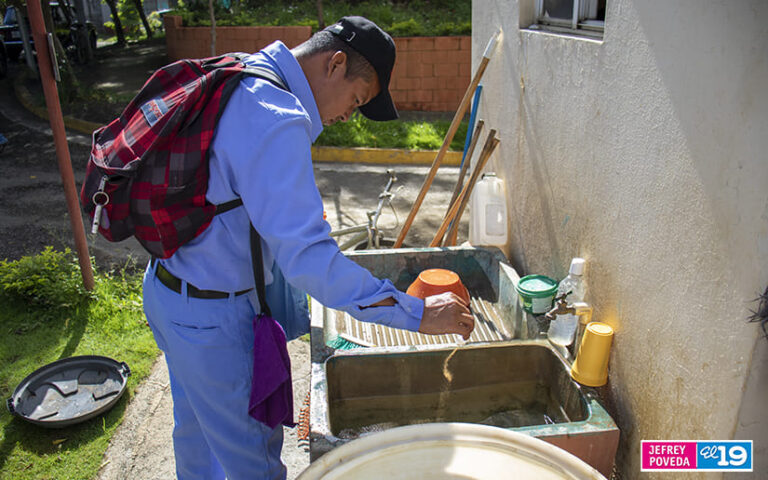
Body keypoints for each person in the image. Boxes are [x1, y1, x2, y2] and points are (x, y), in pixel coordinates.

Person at [142, 16, 475, 480]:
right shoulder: (275, 118)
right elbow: (309, 261)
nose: (347, 115)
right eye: (356, 99)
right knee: (254, 465)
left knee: (197, 441)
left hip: (169, 293)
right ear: (335, 63)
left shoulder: (247, 72)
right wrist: (417, 314)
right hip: (212, 321)